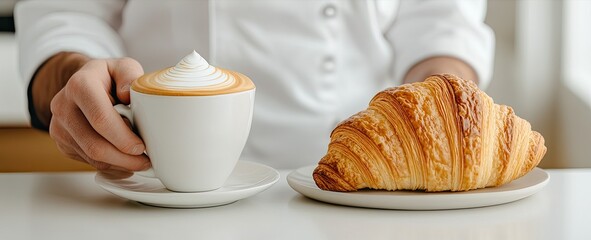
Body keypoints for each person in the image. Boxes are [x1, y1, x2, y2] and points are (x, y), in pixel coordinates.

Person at [15, 0, 494, 171]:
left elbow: (440, 20)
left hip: (363, 187)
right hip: (152, 184)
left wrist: (441, 102)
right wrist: (75, 77)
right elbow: (67, 14)